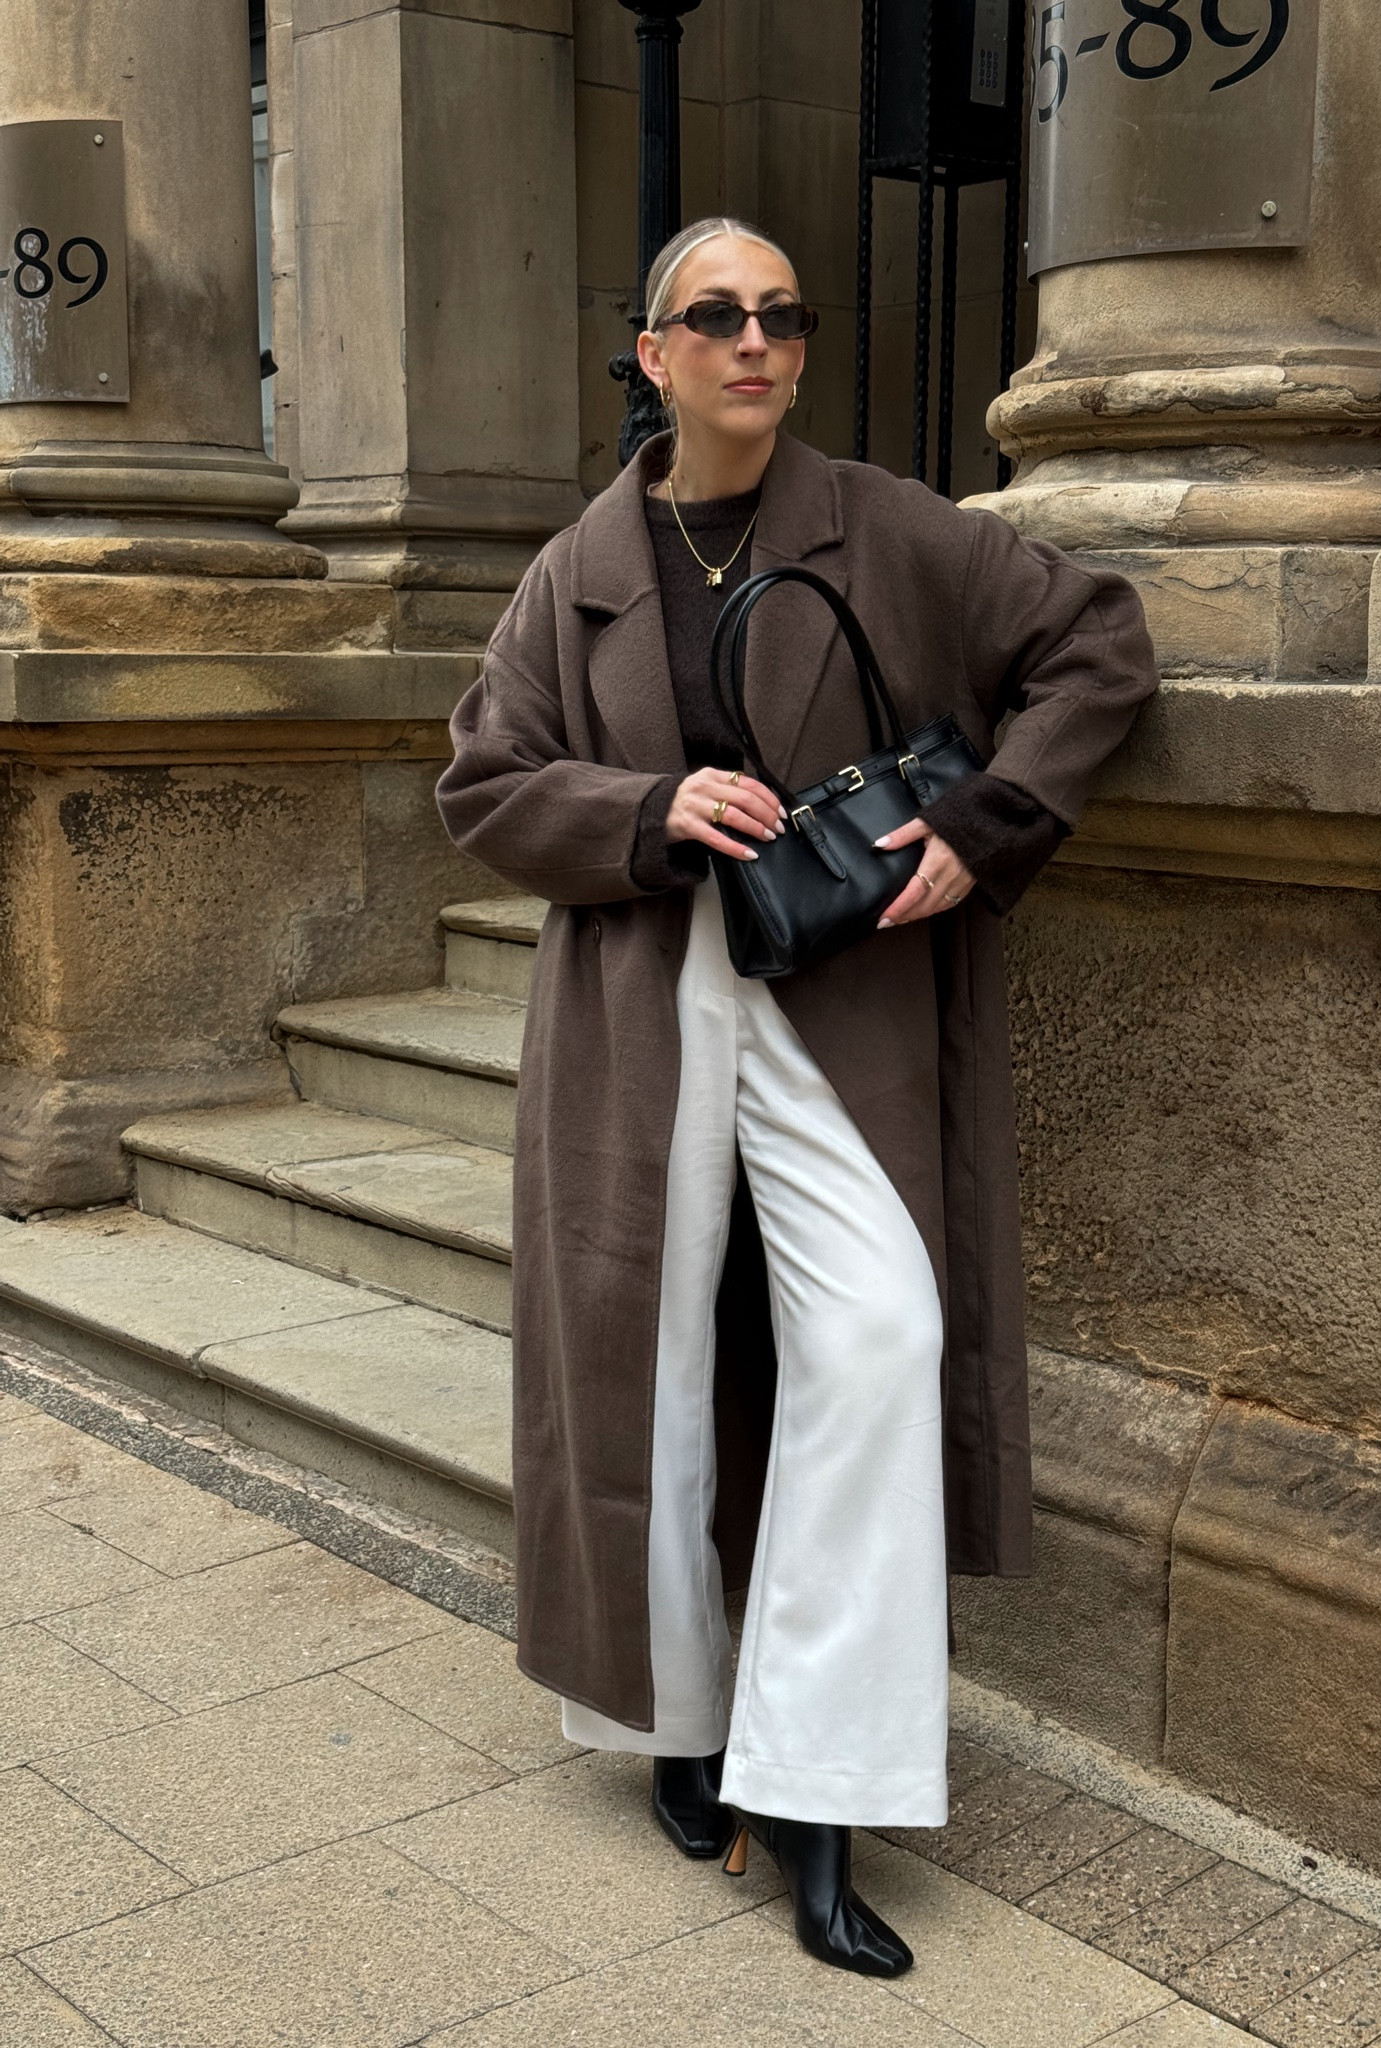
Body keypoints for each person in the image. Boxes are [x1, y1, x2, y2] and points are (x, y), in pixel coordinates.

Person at [437, 216, 1158, 1977]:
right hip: (643, 1009)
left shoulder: (892, 526)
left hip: (839, 1005)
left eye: (781, 316)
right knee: (654, 1375)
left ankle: (817, 1787)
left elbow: (1098, 649)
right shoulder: (576, 568)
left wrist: (984, 831)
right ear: (652, 356)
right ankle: (681, 1726)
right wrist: (641, 813)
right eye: (718, 318)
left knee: (879, 1342)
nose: (756, 343)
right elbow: (483, 782)